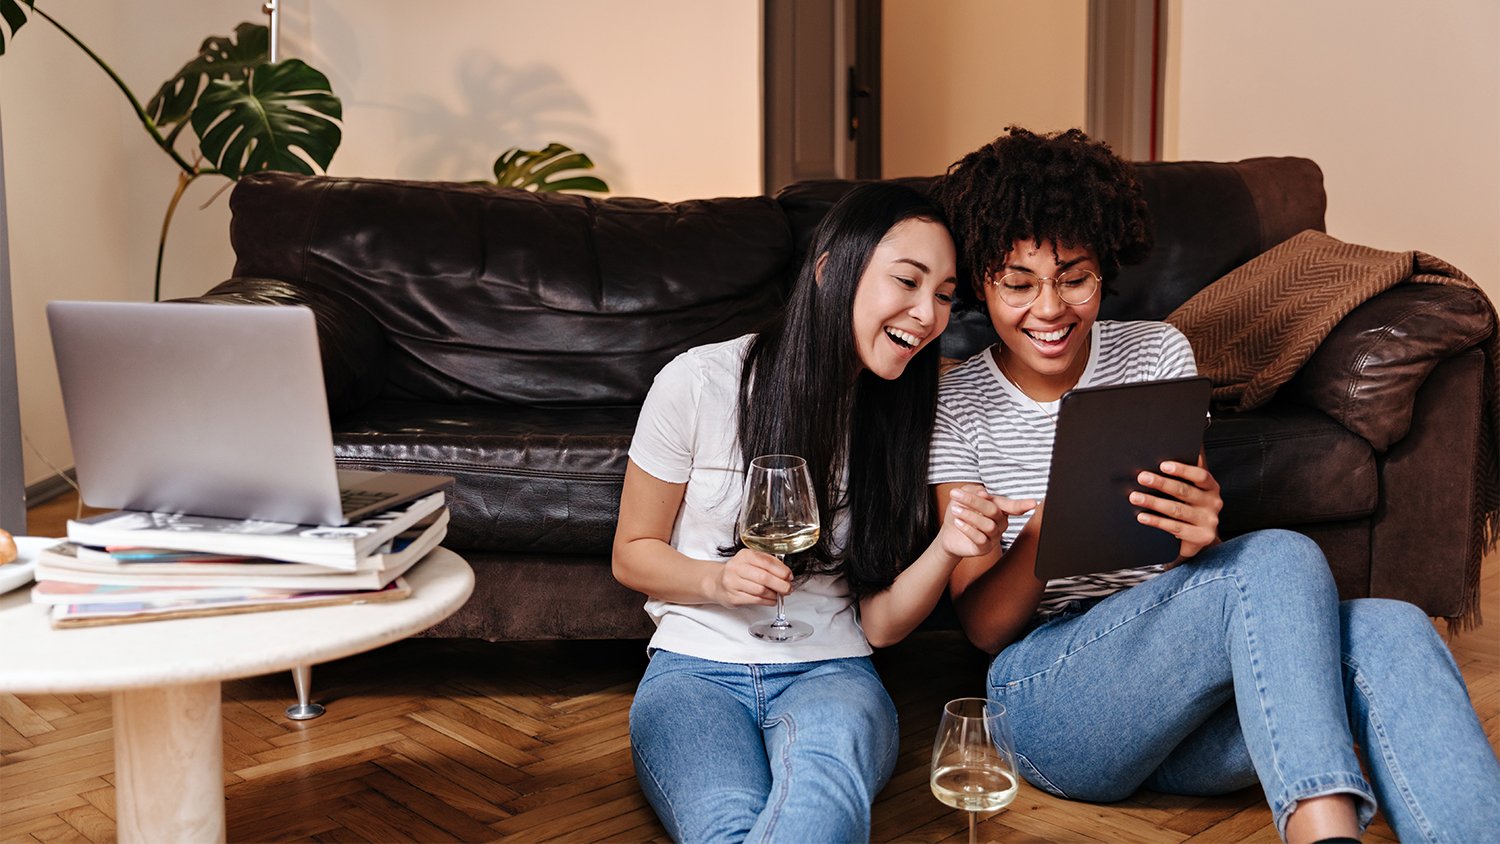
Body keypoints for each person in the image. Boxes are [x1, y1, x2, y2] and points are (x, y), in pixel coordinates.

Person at [930, 127, 1500, 844]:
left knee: (1395, 629)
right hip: (1047, 705)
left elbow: (1193, 583)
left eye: (1074, 277)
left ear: (1105, 266)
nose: (1050, 309)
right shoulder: (957, 406)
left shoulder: (1156, 352)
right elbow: (983, 628)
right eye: (1018, 284)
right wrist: (1049, 525)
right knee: (1280, 555)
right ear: (983, 281)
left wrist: (1198, 537)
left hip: (1180, 716)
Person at [613, 182, 1021, 843]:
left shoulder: (907, 420)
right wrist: (716, 582)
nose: (928, 314)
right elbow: (631, 551)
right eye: (908, 282)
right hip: (692, 671)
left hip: (834, 674)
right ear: (833, 271)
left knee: (818, 799)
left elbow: (881, 628)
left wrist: (947, 543)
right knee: (722, 826)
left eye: (945, 295)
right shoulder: (698, 382)